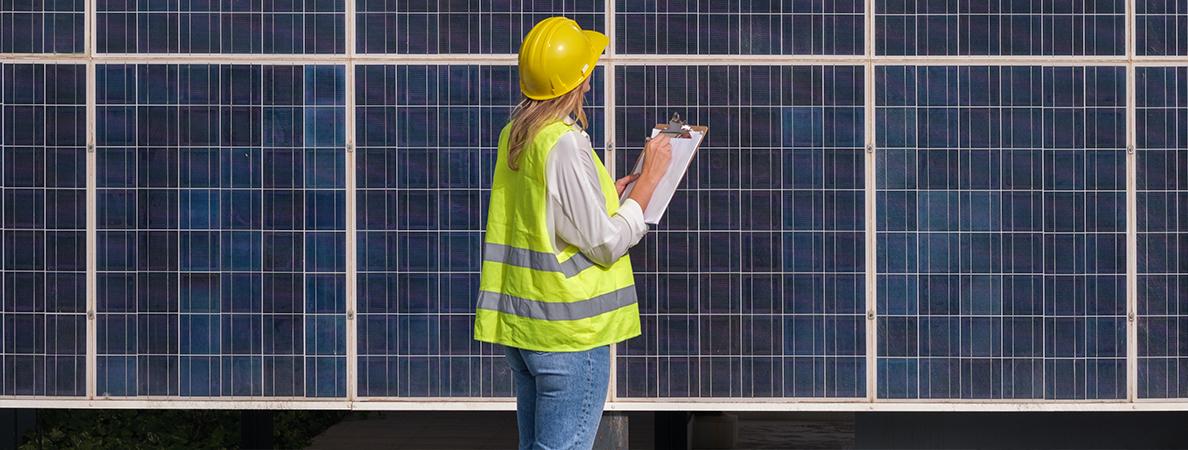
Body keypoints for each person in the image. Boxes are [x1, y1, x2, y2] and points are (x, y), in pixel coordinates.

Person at [472, 16, 673, 450]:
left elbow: (550, 215)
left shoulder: (519, 135)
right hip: (569, 336)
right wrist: (651, 181)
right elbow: (604, 243)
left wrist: (611, 193)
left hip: (527, 332)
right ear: (574, 80)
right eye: (586, 72)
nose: (589, 84)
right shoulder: (563, 143)